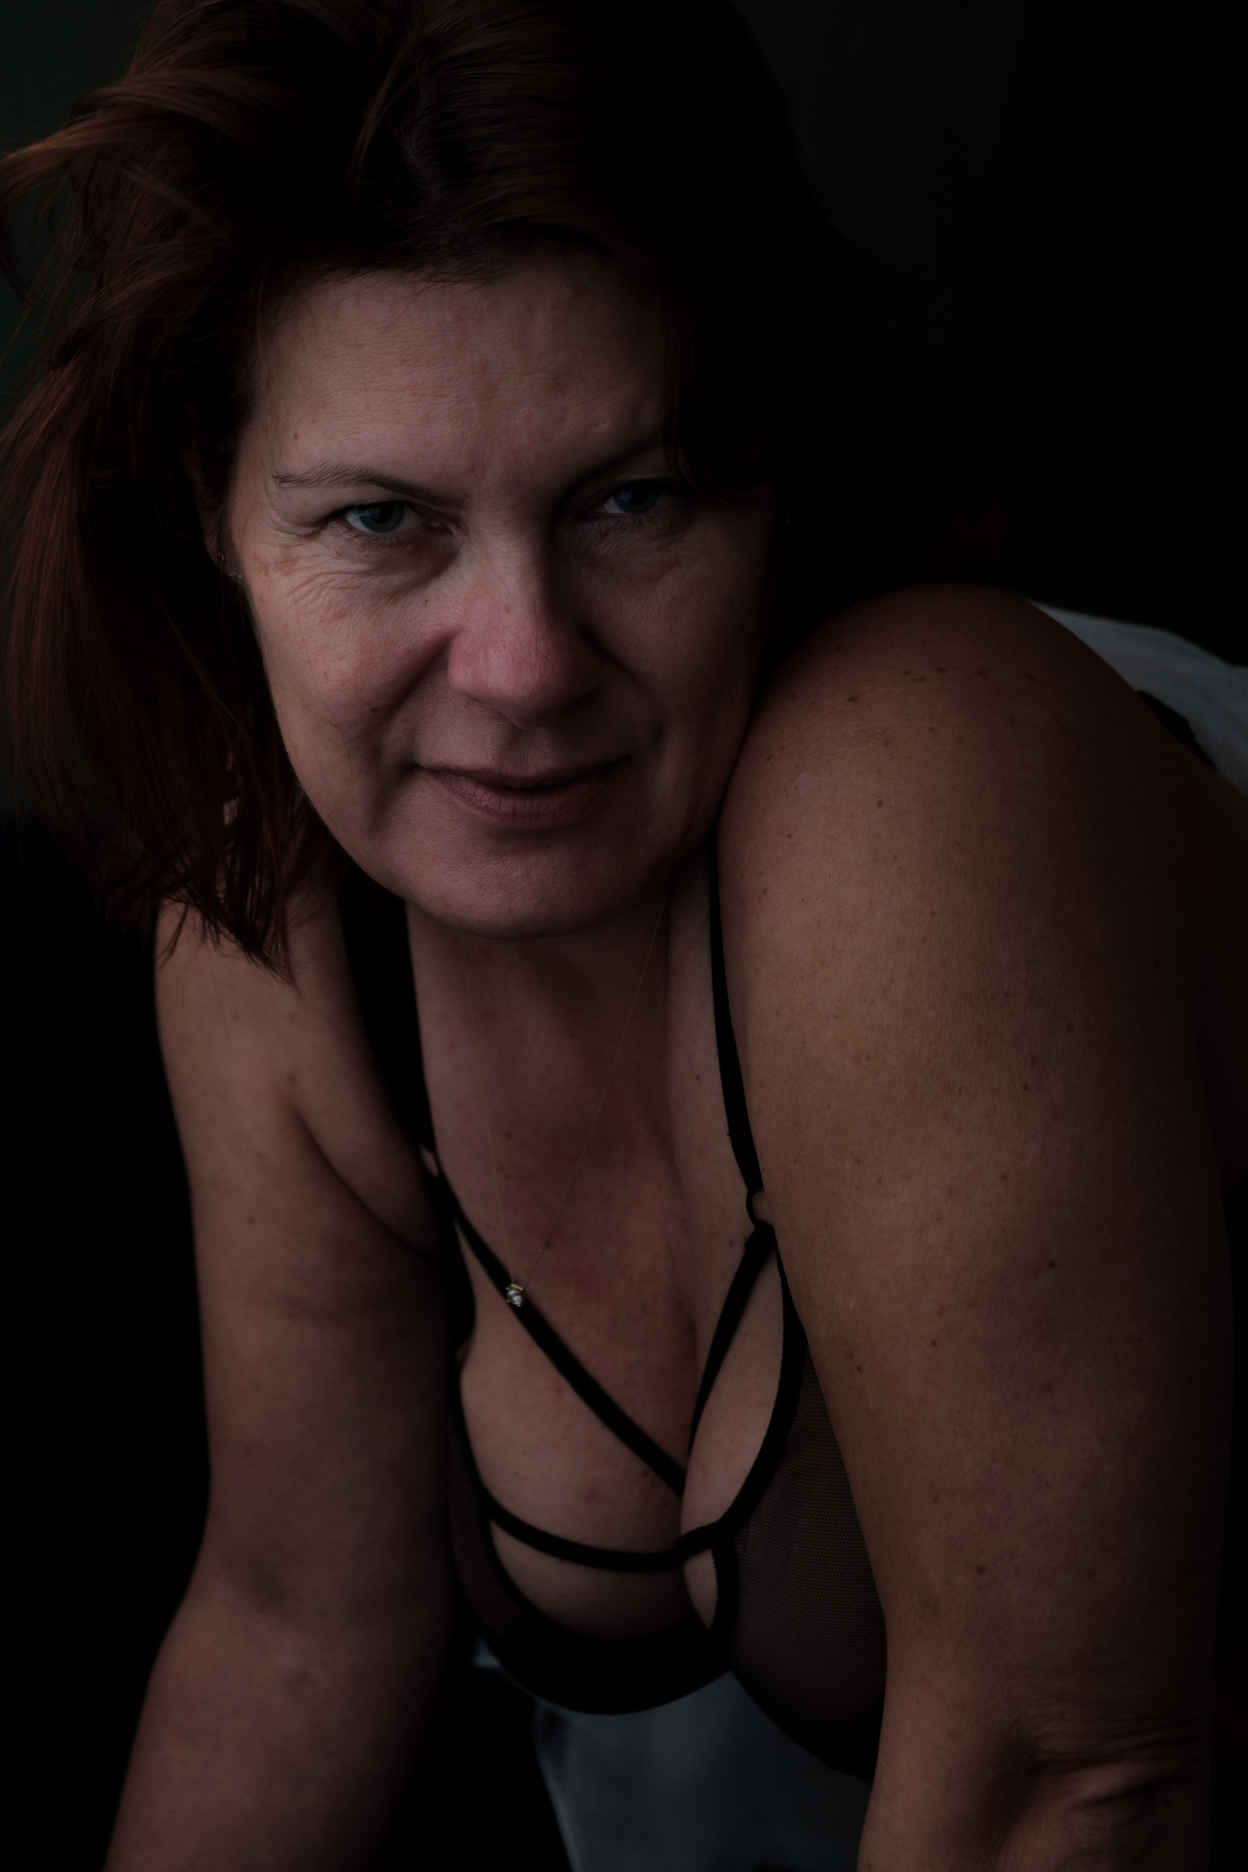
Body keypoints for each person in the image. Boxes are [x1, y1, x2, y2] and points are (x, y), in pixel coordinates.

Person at [2, 1, 1243, 1866]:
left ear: (770, 480)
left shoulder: (925, 773)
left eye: (630, 501)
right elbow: (293, 1636)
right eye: (382, 521)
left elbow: (1074, 1778)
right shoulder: (274, 913)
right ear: (211, 508)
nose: (524, 667)